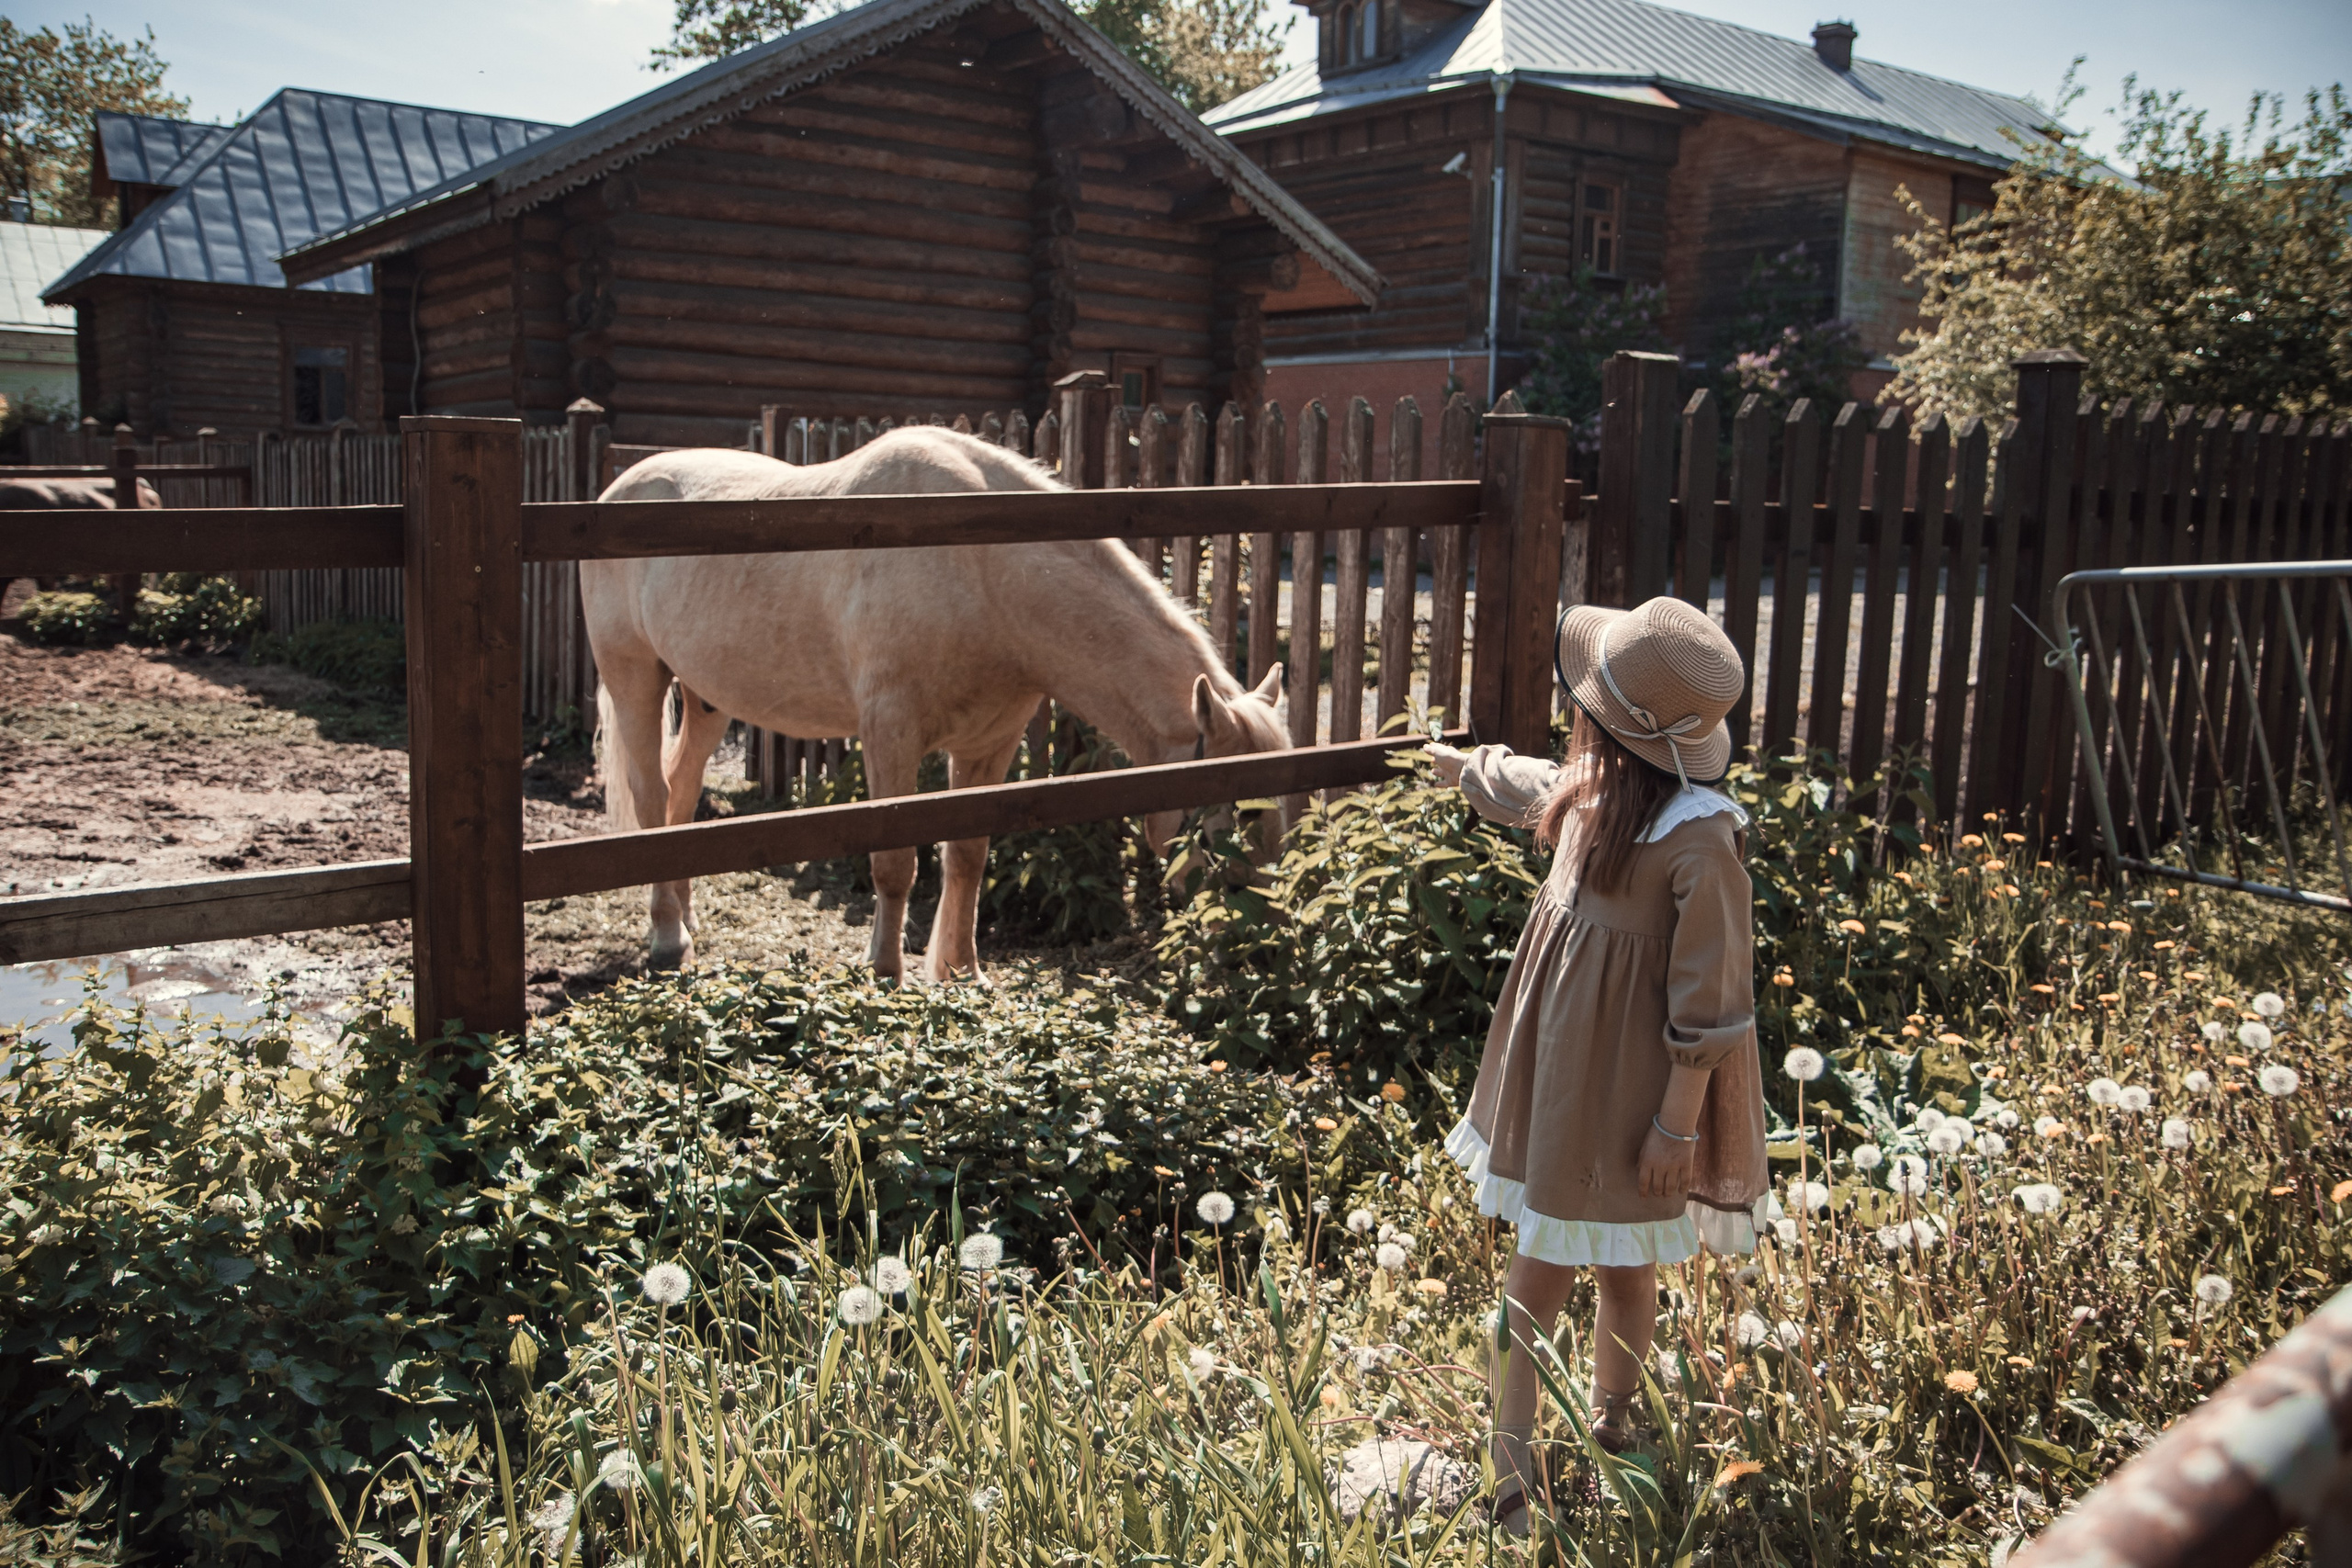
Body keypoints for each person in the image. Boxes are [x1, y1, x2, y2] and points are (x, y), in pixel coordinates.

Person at [1425, 595, 1770, 1536]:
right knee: (1551, 1265)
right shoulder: (1595, 793)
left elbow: (1713, 1000)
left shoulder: (1699, 839)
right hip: (1566, 1077)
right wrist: (1465, 766)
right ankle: (1515, 1456)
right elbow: (1525, 783)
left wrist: (1676, 1123)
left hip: (1635, 1096)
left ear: (1602, 724)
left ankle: (1597, 1432)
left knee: (1607, 1261)